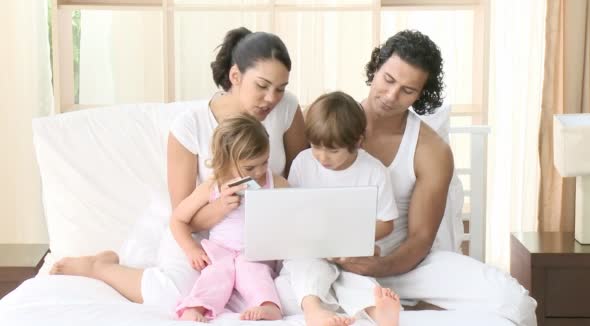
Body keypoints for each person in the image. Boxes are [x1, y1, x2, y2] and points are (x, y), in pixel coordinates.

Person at [277, 30, 537, 326]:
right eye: (388, 80)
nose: (391, 96)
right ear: (376, 69)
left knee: (514, 302)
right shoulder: (328, 123)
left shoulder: (431, 150)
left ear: (421, 94)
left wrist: (376, 265)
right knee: (299, 282)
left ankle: (378, 303)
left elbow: (420, 239)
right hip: (330, 261)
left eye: (407, 90)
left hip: (404, 265)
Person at [49, 27, 308, 316]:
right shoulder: (191, 125)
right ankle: (100, 266)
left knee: (296, 290)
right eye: (262, 85)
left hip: (260, 234)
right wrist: (223, 207)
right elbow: (186, 216)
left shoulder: (287, 108)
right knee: (174, 296)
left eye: (280, 88)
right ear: (236, 76)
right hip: (201, 230)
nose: (272, 98)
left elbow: (300, 178)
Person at [281, 91, 402, 326]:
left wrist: (352, 240)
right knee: (307, 268)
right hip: (311, 248)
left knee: (356, 279)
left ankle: (379, 312)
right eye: (316, 146)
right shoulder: (303, 163)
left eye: (333, 150)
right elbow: (292, 213)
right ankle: (314, 311)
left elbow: (387, 223)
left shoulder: (374, 171)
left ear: (357, 141)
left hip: (353, 251)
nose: (322, 157)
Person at [172, 114, 288, 322]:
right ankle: (197, 307)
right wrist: (191, 249)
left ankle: (269, 306)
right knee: (214, 275)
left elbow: (294, 214)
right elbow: (178, 219)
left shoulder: (275, 182)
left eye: (265, 162)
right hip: (221, 251)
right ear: (225, 161)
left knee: (254, 272)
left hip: (255, 252)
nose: (260, 171)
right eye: (250, 168)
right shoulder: (212, 186)